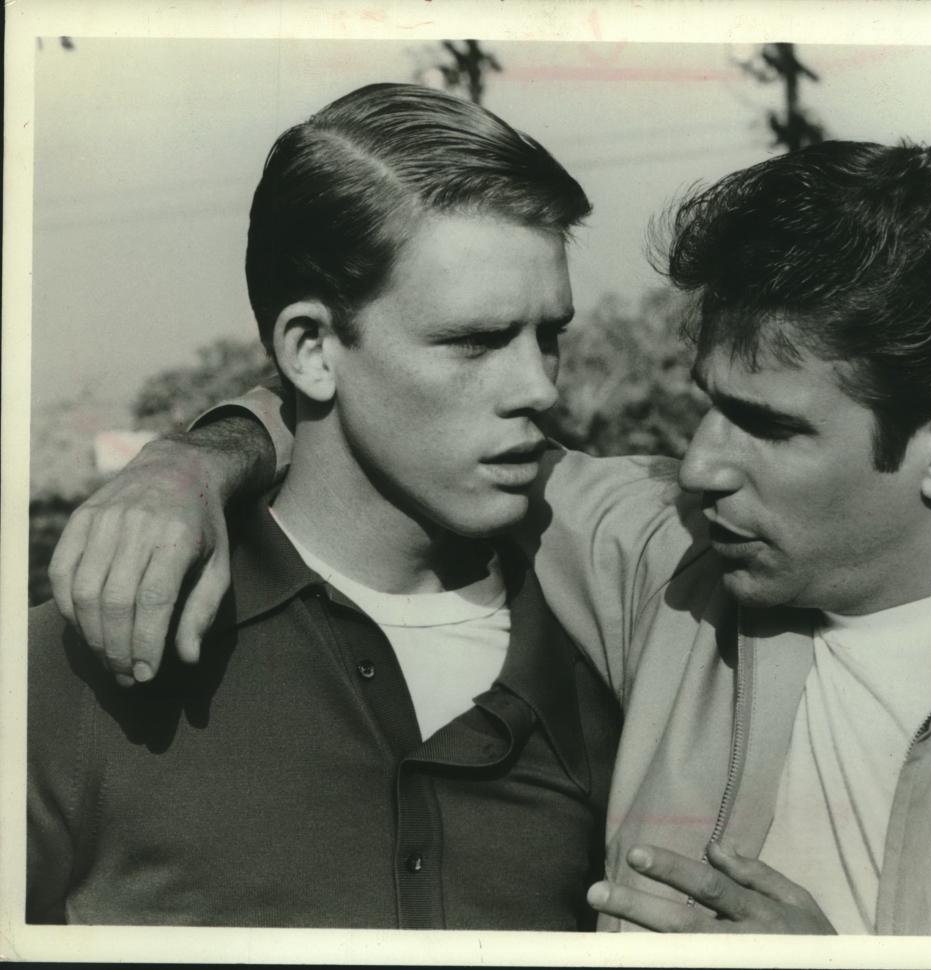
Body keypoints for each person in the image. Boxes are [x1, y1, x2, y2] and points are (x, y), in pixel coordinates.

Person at [46, 138, 931, 937]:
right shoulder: (677, 567)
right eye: (707, 401)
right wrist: (192, 460)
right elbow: (388, 414)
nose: (697, 463)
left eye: (767, 424)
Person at [28, 83, 623, 929]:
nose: (538, 386)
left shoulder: (618, 636)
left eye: (549, 335)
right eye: (475, 342)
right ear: (310, 351)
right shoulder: (78, 663)